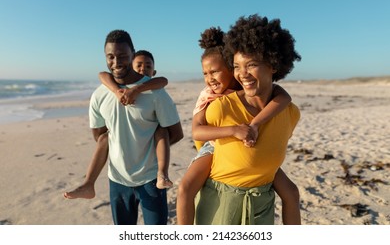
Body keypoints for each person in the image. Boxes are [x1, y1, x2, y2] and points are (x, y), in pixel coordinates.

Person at [176, 27, 301, 225]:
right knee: (185, 188)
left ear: (273, 64)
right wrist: (234, 130)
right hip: (212, 150)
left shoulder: (288, 111)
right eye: (237, 66)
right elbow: (197, 132)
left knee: (292, 192)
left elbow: (283, 97)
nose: (242, 74)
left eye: (250, 65)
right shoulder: (213, 103)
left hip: (261, 205)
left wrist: (255, 124)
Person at [87, 29, 183, 225]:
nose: (116, 62)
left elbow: (176, 133)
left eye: (122, 56)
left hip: (151, 180)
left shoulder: (155, 93)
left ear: (132, 54)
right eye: (110, 56)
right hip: (117, 180)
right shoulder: (99, 94)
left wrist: (146, 150)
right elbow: (99, 135)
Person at [63, 51, 172, 200]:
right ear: (130, 67)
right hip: (119, 173)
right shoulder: (113, 89)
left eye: (148, 66)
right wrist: (117, 91)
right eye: (138, 65)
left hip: (150, 159)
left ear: (153, 71)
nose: (143, 69)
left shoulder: (155, 89)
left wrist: (136, 89)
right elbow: (102, 75)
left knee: (162, 132)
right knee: (104, 138)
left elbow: (163, 80)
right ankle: (88, 183)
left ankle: (162, 174)